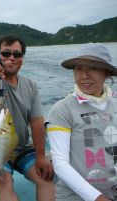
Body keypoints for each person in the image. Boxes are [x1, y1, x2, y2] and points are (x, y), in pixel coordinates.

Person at [0, 35, 55, 201]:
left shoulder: (30, 86)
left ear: (22, 58)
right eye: (6, 53)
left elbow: (36, 122)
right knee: (1, 181)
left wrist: (41, 156)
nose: (11, 58)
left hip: (22, 147)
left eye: (17, 54)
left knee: (47, 177)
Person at [46, 43, 117, 201]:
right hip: (74, 197)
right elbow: (60, 164)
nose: (84, 75)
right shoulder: (62, 109)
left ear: (106, 72)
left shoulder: (115, 105)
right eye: (78, 69)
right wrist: (97, 198)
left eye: (93, 68)